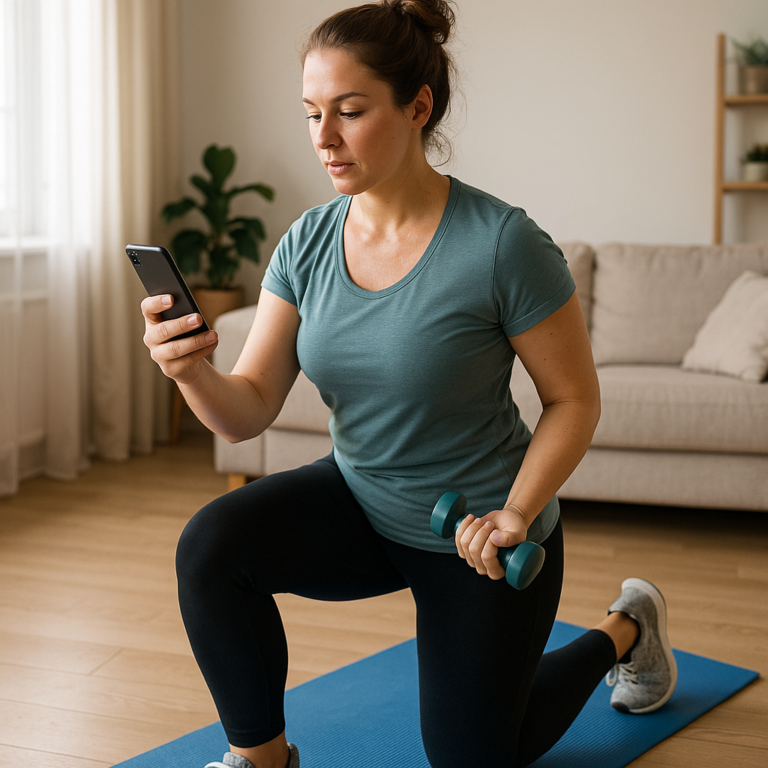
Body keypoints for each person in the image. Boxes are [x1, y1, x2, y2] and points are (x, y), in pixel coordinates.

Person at [141, 2, 677, 767]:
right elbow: (247, 410)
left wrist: (516, 512)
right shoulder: (308, 241)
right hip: (361, 504)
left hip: (482, 535)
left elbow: (574, 400)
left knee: (476, 756)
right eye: (312, 113)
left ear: (417, 107)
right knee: (211, 546)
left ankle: (627, 628)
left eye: (350, 111)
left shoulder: (503, 244)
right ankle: (260, 759)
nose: (324, 137)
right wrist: (189, 368)